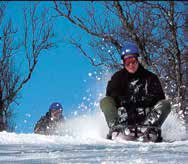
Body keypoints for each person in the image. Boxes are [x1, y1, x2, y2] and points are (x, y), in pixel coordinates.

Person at [100, 43, 171, 142]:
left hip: (146, 115)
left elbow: (159, 96)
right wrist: (122, 100)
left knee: (166, 104)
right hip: (124, 115)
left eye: (133, 61)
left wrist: (145, 100)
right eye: (127, 62)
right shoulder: (118, 77)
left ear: (138, 60)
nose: (131, 65)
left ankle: (149, 128)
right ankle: (116, 128)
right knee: (105, 101)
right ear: (123, 63)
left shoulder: (150, 77)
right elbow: (111, 93)